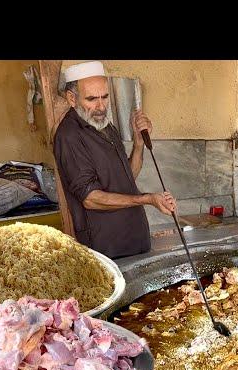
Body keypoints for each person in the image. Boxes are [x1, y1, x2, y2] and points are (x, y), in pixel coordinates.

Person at [53, 61, 176, 259]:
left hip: (135, 239)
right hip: (107, 248)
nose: (101, 106)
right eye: (92, 99)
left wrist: (138, 144)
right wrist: (147, 199)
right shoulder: (69, 136)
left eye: (105, 96)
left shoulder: (105, 126)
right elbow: (91, 199)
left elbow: (128, 176)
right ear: (71, 98)